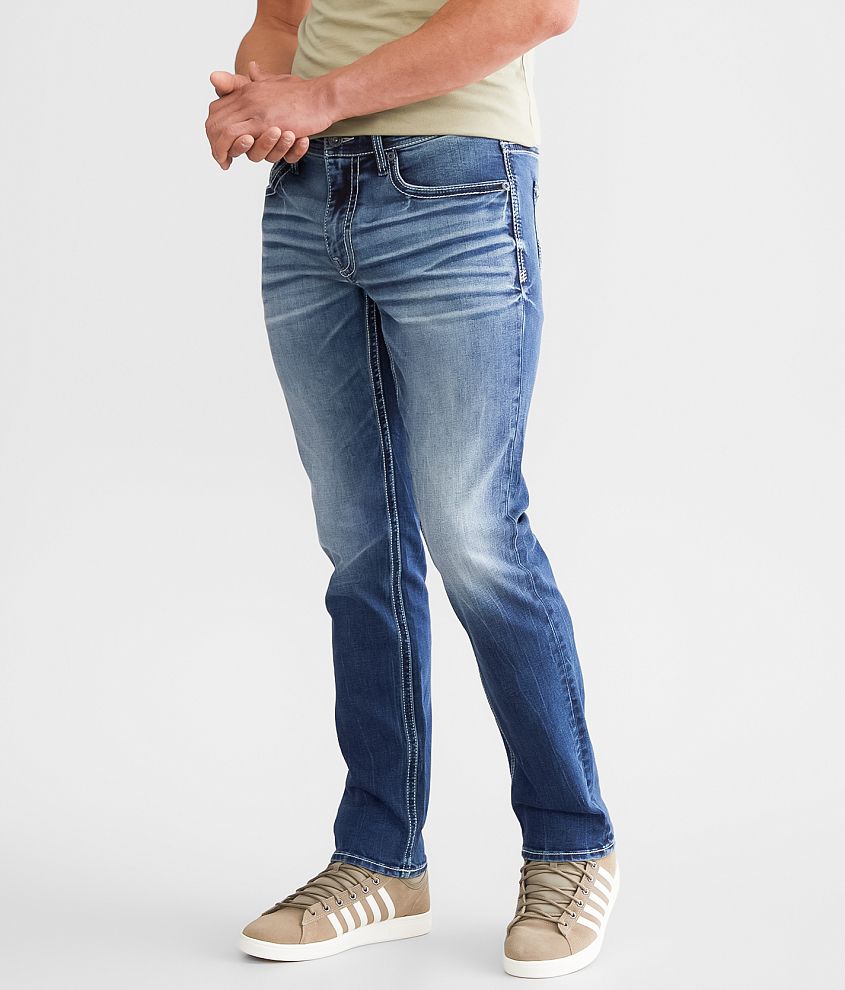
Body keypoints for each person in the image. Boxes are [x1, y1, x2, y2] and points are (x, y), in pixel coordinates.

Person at [205, 0, 618, 978]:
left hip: (455, 183)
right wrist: (263, 100)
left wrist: (320, 96)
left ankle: (570, 845)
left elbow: (535, 9)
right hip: (307, 194)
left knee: (475, 534)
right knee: (360, 544)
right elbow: (281, 18)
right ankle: (380, 861)